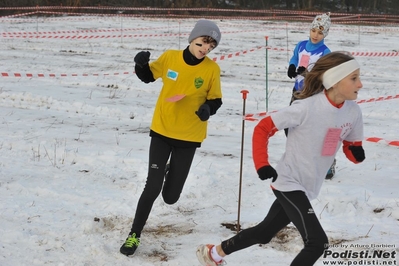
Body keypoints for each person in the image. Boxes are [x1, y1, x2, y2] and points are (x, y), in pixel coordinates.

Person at [196, 51, 366, 266]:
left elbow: (352, 145)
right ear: (334, 80)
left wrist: (356, 153)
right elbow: (263, 127)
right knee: (317, 242)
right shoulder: (306, 107)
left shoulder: (353, 112)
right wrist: (262, 164)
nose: (360, 84)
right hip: (289, 182)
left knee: (264, 233)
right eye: (354, 78)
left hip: (309, 186)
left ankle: (214, 254)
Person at [120, 19, 223, 256]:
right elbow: (147, 76)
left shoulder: (211, 69)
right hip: (162, 130)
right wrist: (140, 65)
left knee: (170, 197)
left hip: (189, 135)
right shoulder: (169, 58)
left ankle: (169, 172)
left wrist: (208, 108)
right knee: (152, 187)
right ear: (192, 39)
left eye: (210, 47)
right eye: (201, 43)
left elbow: (216, 99)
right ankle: (134, 235)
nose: (205, 50)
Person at [286, 12, 335, 179]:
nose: (316, 35)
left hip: (313, 94)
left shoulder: (325, 52)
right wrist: (292, 67)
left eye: (320, 32)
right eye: (314, 30)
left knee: (313, 129)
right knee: (291, 126)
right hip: (297, 92)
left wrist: (308, 73)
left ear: (325, 34)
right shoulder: (301, 45)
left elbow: (324, 74)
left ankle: (327, 163)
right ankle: (298, 159)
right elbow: (294, 58)